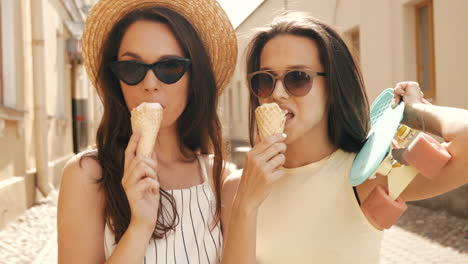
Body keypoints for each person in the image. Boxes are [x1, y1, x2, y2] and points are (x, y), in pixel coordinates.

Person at [220, 12, 468, 264]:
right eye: (265, 80)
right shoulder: (236, 187)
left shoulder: (367, 174)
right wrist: (245, 205)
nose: (278, 93)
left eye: (297, 78)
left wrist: (416, 112)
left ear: (332, 88)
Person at [57, 0, 237, 263]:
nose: (150, 83)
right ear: (116, 80)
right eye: (132, 68)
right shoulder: (86, 175)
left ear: (194, 78)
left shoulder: (221, 179)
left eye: (170, 67)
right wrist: (139, 227)